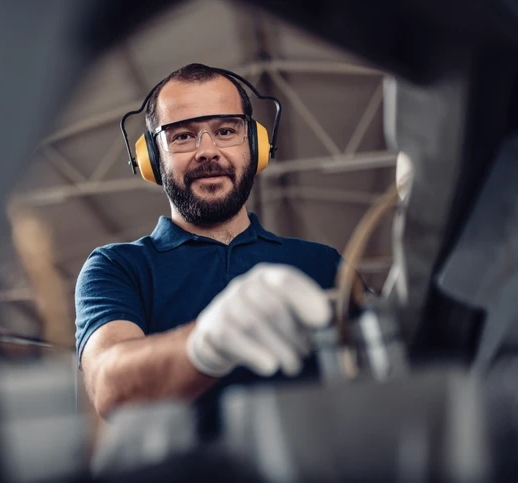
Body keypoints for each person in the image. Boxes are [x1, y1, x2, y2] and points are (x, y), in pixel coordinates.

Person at [75, 63, 343, 429]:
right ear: (151, 158)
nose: (207, 150)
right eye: (182, 136)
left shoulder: (322, 263)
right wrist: (205, 344)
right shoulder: (117, 267)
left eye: (226, 130)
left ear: (256, 144)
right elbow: (108, 385)